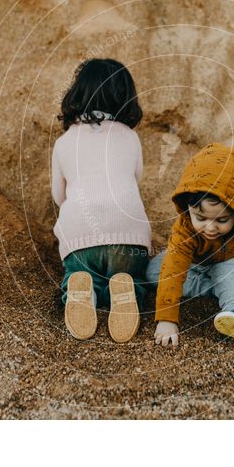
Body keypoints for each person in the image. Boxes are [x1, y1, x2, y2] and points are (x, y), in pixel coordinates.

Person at [147, 143, 234, 347]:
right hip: (200, 260)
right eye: (201, 218)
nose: (210, 228)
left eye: (222, 220)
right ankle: (217, 287)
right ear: (188, 206)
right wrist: (167, 319)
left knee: (230, 275)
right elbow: (173, 269)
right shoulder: (185, 229)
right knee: (154, 271)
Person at [51, 58, 151, 343]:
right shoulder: (130, 137)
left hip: (81, 236)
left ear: (76, 94)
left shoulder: (64, 143)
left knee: (81, 271)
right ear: (125, 97)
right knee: (133, 276)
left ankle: (80, 288)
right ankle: (127, 288)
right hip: (129, 237)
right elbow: (135, 179)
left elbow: (59, 195)